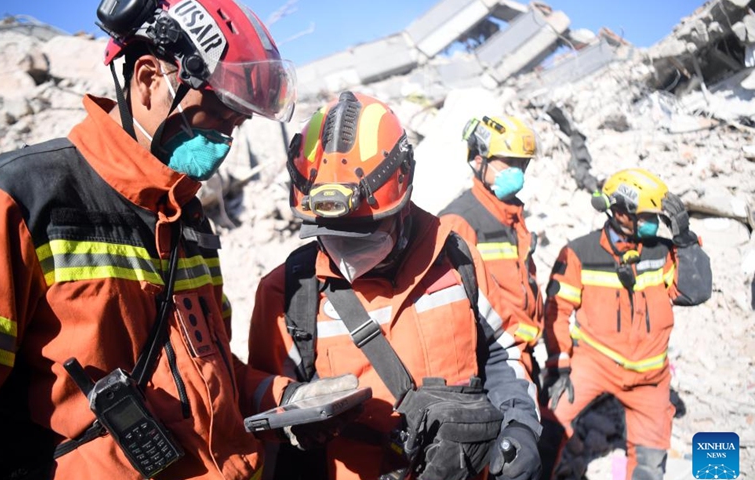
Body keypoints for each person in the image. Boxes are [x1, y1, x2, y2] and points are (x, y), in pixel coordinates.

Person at [0, 0, 296, 478]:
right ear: (149, 79)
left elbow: (212, 374)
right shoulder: (10, 202)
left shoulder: (190, 221)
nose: (225, 141)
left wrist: (286, 397)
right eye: (215, 117)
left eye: (237, 125)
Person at [242, 91, 542, 480]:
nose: (347, 251)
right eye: (331, 234)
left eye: (364, 231)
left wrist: (520, 424)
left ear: (404, 193)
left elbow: (504, 352)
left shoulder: (453, 255)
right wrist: (291, 402)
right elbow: (259, 405)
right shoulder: (288, 292)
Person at [541, 168, 712, 480]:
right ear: (619, 211)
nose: (652, 222)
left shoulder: (662, 251)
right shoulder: (581, 252)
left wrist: (685, 241)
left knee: (648, 465)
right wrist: (559, 365)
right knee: (546, 426)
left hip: (650, 376)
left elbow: (695, 292)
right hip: (593, 363)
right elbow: (557, 311)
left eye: (654, 216)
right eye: (645, 215)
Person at [439, 115, 543, 382]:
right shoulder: (460, 220)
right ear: (478, 160)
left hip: (523, 353)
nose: (518, 171)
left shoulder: (512, 215)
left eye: (523, 163)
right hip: (494, 363)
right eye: (509, 163)